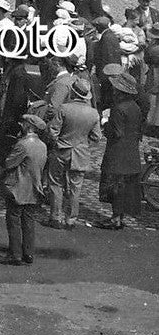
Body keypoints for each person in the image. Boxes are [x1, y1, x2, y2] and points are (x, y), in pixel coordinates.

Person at [47, 78, 101, 229]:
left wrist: (57, 141)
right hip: (81, 152)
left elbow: (53, 131)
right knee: (76, 187)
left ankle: (55, 217)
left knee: (56, 183)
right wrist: (84, 140)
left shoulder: (64, 109)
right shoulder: (93, 113)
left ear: (72, 92)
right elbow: (97, 136)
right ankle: (71, 219)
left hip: (62, 150)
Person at [0, 115, 47, 266]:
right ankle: (28, 252)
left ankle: (15, 254)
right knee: (29, 220)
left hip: (18, 187)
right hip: (34, 187)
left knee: (13, 219)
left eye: (24, 123)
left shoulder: (23, 145)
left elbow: (9, 163)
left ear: (29, 126)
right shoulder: (42, 145)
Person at [98, 71, 143, 230]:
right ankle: (120, 217)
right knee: (123, 187)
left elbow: (116, 132)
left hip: (117, 152)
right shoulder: (135, 107)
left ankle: (115, 218)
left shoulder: (118, 108)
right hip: (131, 150)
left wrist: (105, 124)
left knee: (115, 186)